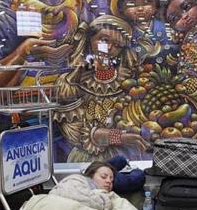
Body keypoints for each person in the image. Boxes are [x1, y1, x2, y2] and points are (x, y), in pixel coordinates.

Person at [54, 15, 150, 162]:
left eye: (117, 45)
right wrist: (118, 137)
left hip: (126, 156)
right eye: (104, 40)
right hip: (87, 160)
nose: (110, 48)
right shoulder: (70, 81)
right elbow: (74, 132)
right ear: (89, 39)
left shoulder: (129, 80)